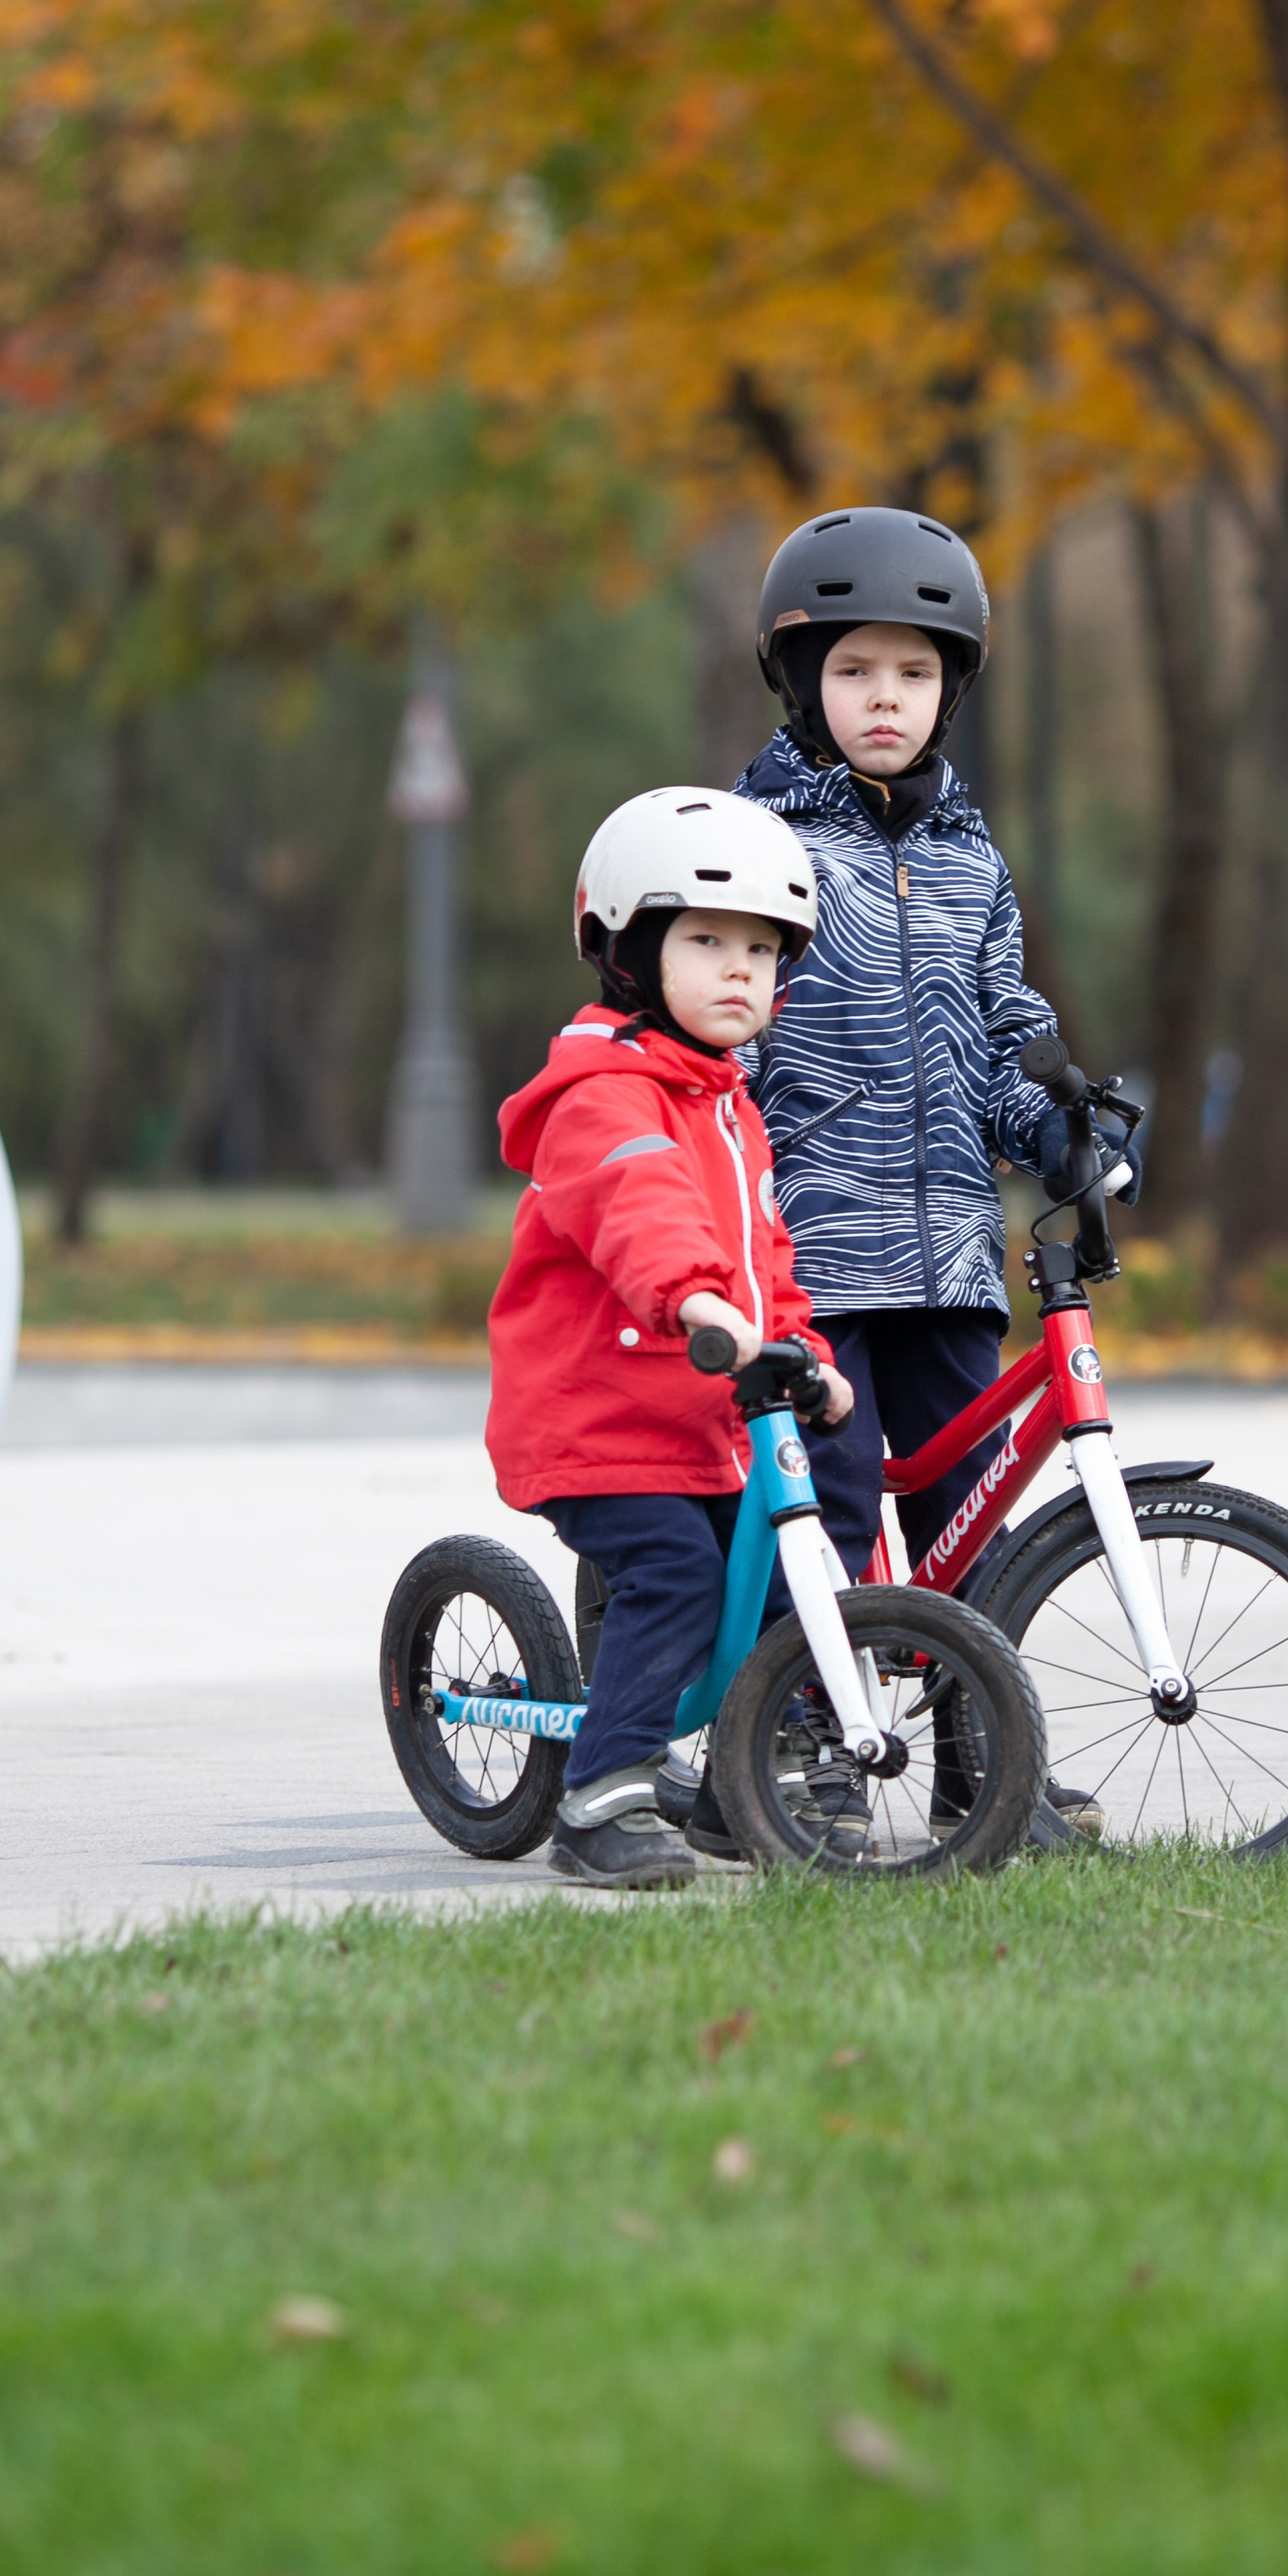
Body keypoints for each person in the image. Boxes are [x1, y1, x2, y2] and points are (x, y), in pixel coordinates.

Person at [734, 507, 1134, 1597]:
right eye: (854, 668)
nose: (883, 697)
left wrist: (1061, 1133)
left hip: (951, 1260)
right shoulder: (751, 848)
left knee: (974, 1515)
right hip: (807, 1255)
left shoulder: (970, 862)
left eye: (913, 673)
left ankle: (984, 1763)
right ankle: (806, 1737)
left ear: (947, 692)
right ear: (800, 677)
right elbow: (718, 1047)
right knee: (834, 1500)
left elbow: (1002, 1040)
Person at [484, 787, 853, 1888]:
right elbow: (641, 1212)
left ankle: (744, 1781)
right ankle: (598, 1799)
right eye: (705, 942)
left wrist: (805, 1354)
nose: (740, 970)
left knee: (789, 1572)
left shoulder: (728, 1107)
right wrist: (694, 1300)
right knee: (682, 1581)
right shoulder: (600, 1095)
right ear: (630, 950)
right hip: (597, 1419)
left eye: (761, 949)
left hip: (698, 1417)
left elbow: (767, 1263)